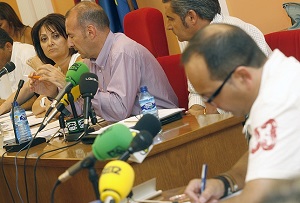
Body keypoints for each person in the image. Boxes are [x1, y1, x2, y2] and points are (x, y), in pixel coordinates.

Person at [182, 23, 300, 203]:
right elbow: (262, 152)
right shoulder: (278, 73)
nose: (209, 105)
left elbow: (258, 198)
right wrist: (225, 181)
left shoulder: (278, 99)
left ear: (242, 77)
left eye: (211, 95)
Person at [30, 1, 178, 122]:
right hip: (131, 124)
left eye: (72, 36)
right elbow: (83, 109)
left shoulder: (122, 52)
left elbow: (119, 110)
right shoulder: (90, 60)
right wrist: (54, 92)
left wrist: (73, 86)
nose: (70, 44)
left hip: (162, 125)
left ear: (91, 32)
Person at [162, 0, 272, 116]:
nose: (168, 26)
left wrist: (208, 112)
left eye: (171, 18)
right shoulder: (195, 44)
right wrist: (196, 108)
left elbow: (255, 94)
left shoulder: (235, 34)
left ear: (191, 17)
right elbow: (195, 92)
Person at [0, 13, 81, 116]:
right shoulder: (56, 67)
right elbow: (35, 108)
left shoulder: (79, 61)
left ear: (68, 38)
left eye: (56, 36)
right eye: (44, 39)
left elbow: (78, 105)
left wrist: (51, 104)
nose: (50, 43)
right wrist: (48, 102)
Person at [0, 28, 36, 108]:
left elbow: (35, 96)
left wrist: (7, 107)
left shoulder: (26, 54)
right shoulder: (3, 64)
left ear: (8, 46)